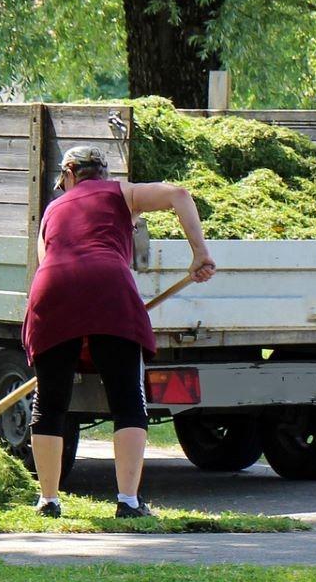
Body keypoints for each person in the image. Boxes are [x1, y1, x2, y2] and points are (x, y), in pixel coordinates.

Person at [22, 145, 215, 518]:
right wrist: (199, 253)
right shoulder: (120, 192)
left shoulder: (50, 210)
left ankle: (49, 500)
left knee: (49, 403)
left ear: (70, 176)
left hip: (52, 288)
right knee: (127, 399)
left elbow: (47, 261)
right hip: (109, 285)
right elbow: (179, 194)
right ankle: (127, 501)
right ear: (103, 173)